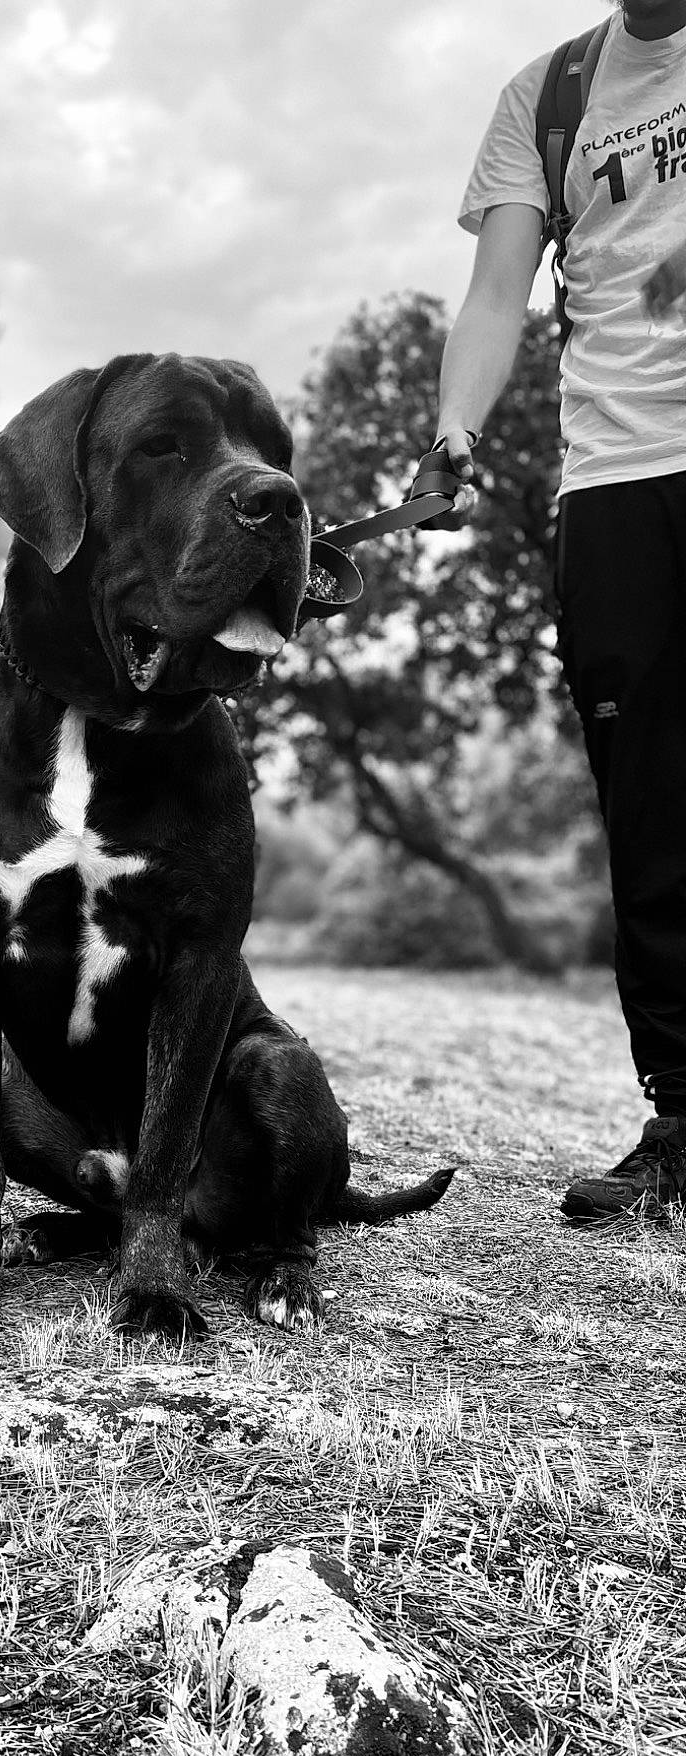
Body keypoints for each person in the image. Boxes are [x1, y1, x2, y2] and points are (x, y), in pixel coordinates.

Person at [428, 0, 686, 1220]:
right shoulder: (551, 96)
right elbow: (496, 296)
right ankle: (684, 1117)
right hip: (617, 487)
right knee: (651, 809)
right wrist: (456, 430)